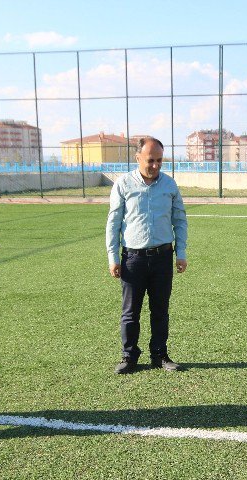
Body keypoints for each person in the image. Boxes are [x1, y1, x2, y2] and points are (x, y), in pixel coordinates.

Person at [106, 137, 188, 374]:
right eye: (150, 160)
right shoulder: (123, 184)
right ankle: (129, 356)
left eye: (159, 160)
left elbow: (179, 221)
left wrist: (180, 253)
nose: (155, 165)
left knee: (160, 310)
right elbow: (113, 223)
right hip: (133, 259)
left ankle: (160, 355)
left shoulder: (169, 185)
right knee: (130, 312)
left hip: (163, 257)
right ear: (138, 158)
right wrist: (113, 257)